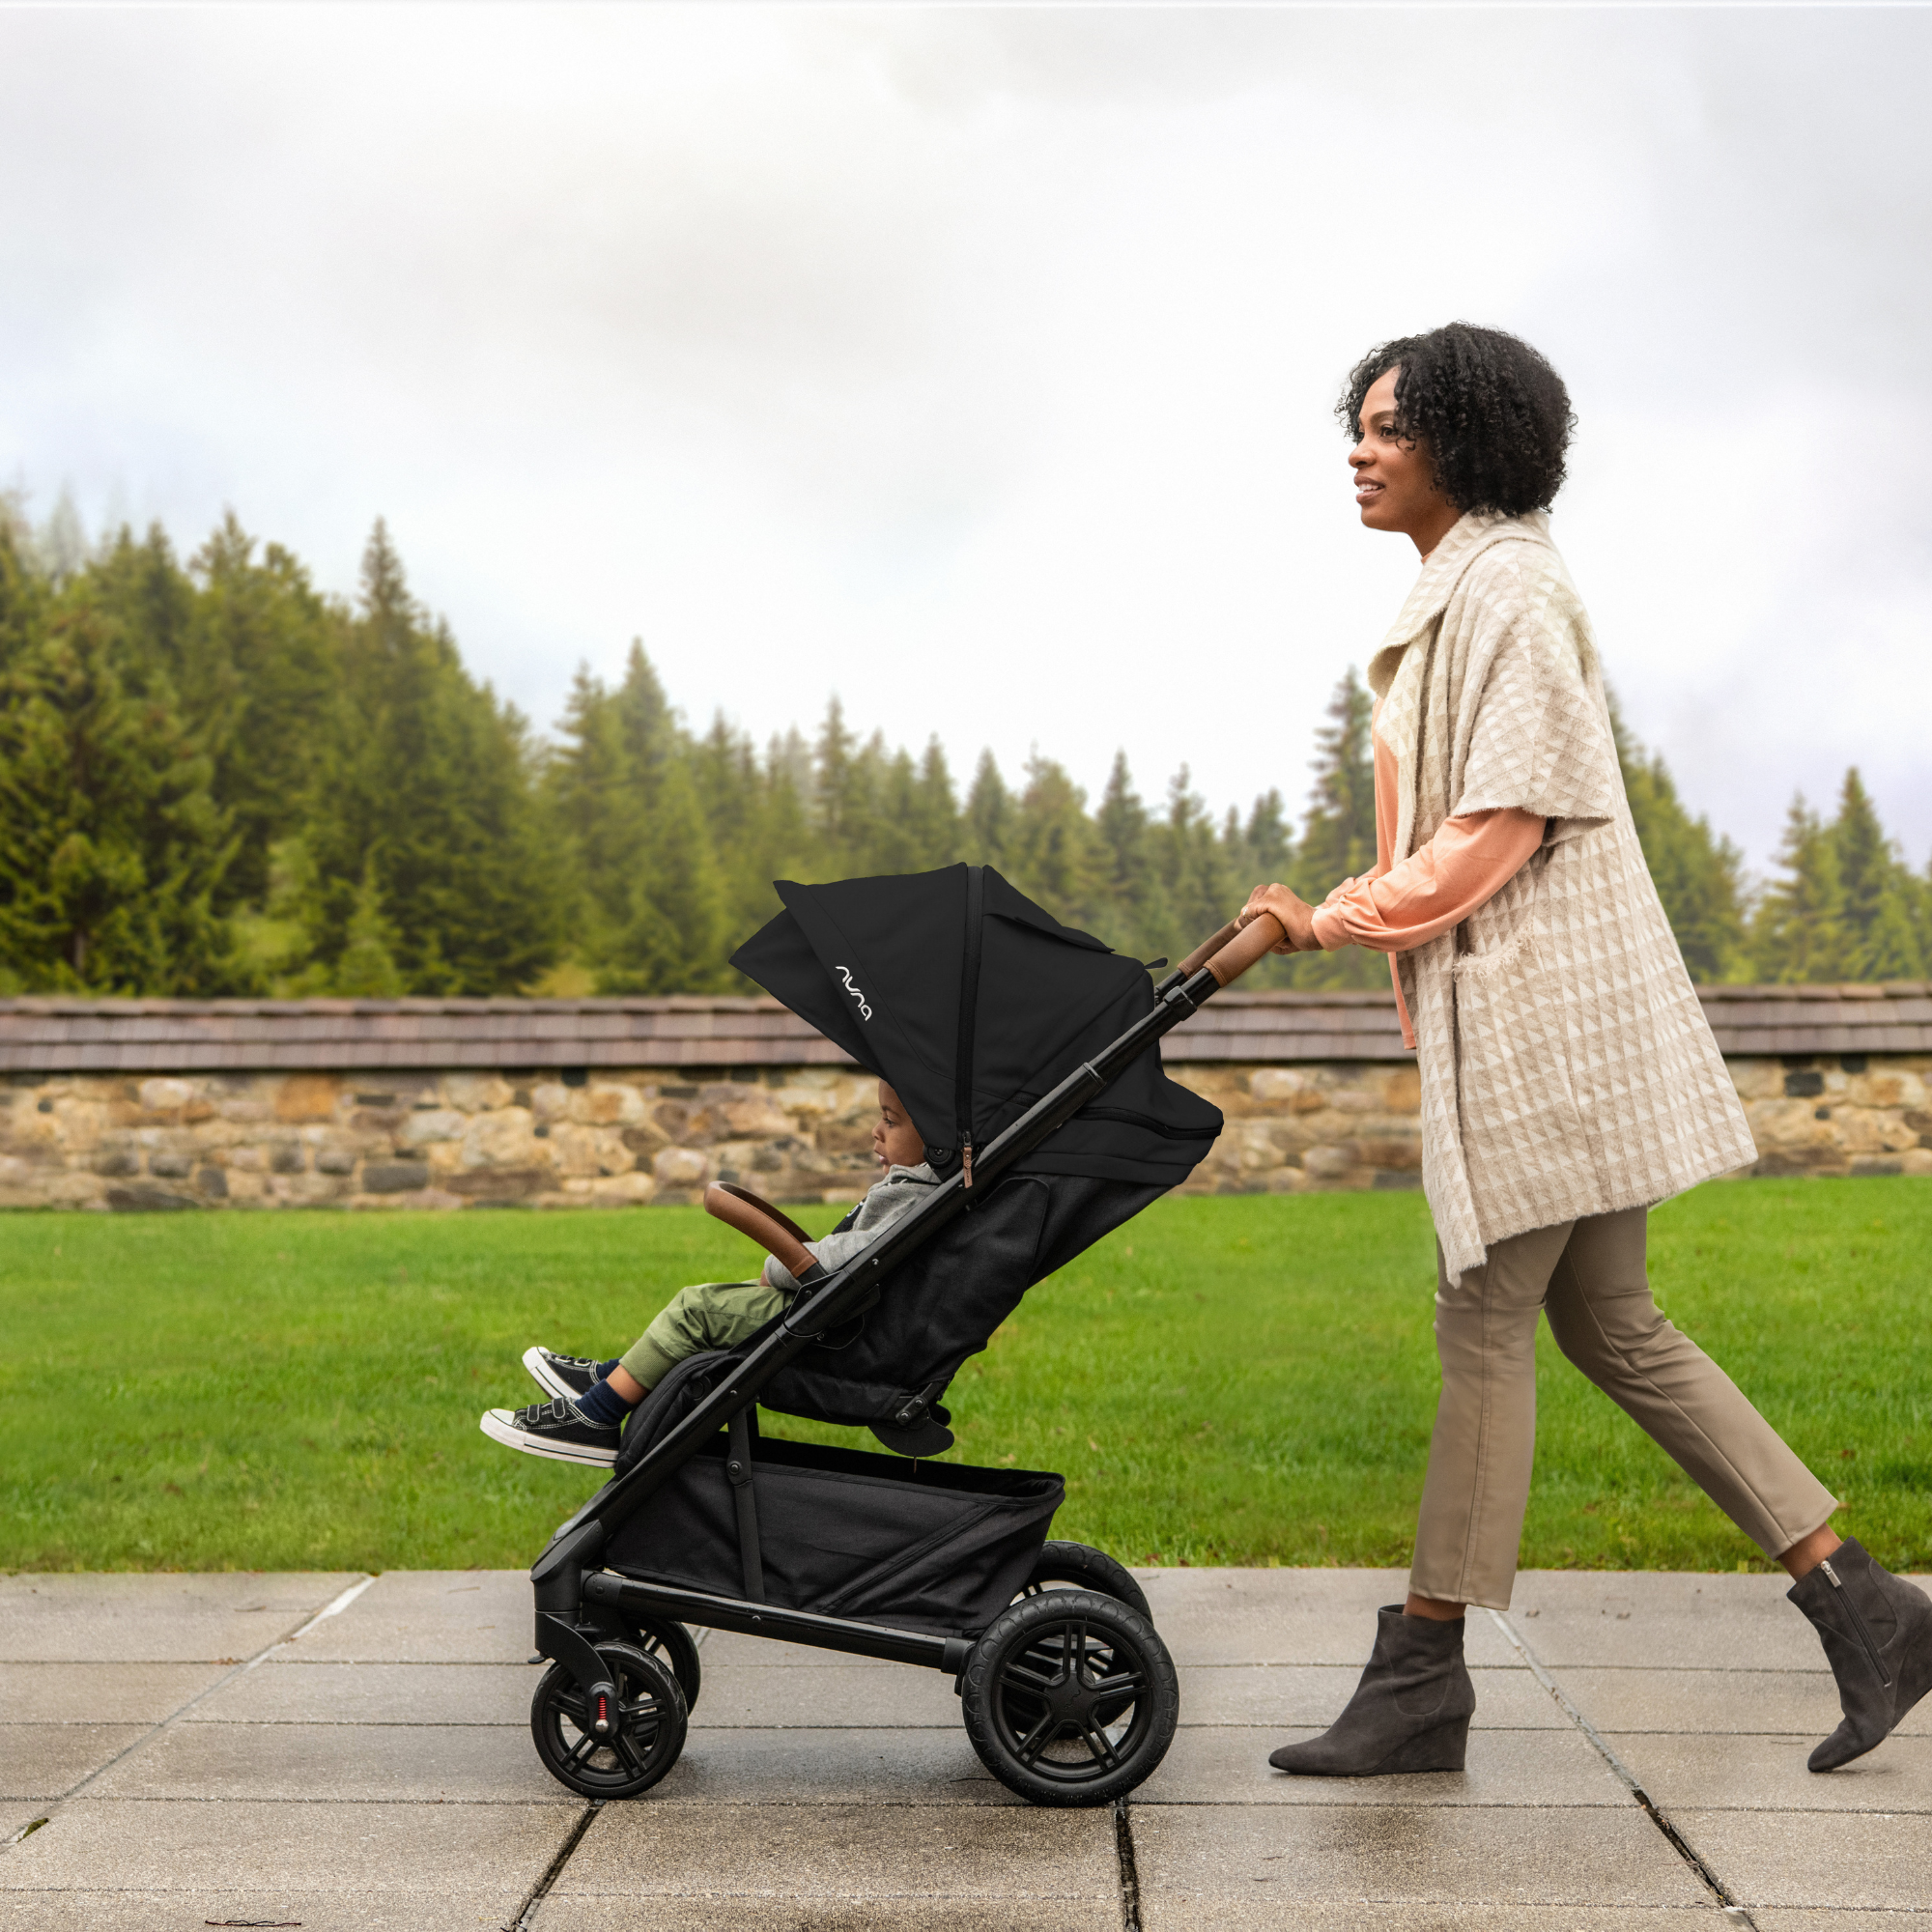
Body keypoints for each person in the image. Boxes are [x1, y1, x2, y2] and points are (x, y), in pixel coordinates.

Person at [1240, 322, 1932, 1780]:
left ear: (1463, 440)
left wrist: (1330, 919)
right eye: (1357, 424)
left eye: (1388, 426)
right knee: (1613, 1324)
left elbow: (1500, 824)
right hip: (1554, 1016)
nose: (1359, 451)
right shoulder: (1472, 587)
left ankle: (1423, 1672)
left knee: (1484, 1321)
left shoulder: (1510, 590)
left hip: (1546, 1025)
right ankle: (1867, 1607)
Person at [478, 1080, 937, 1466]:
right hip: (839, 1318)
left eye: (891, 1121)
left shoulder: (913, 1195)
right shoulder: (919, 1187)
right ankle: (617, 1376)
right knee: (715, 1301)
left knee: (695, 1310)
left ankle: (596, 1416)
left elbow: (851, 1258)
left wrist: (783, 1265)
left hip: (836, 1332)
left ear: (936, 1138)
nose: (876, 1131)